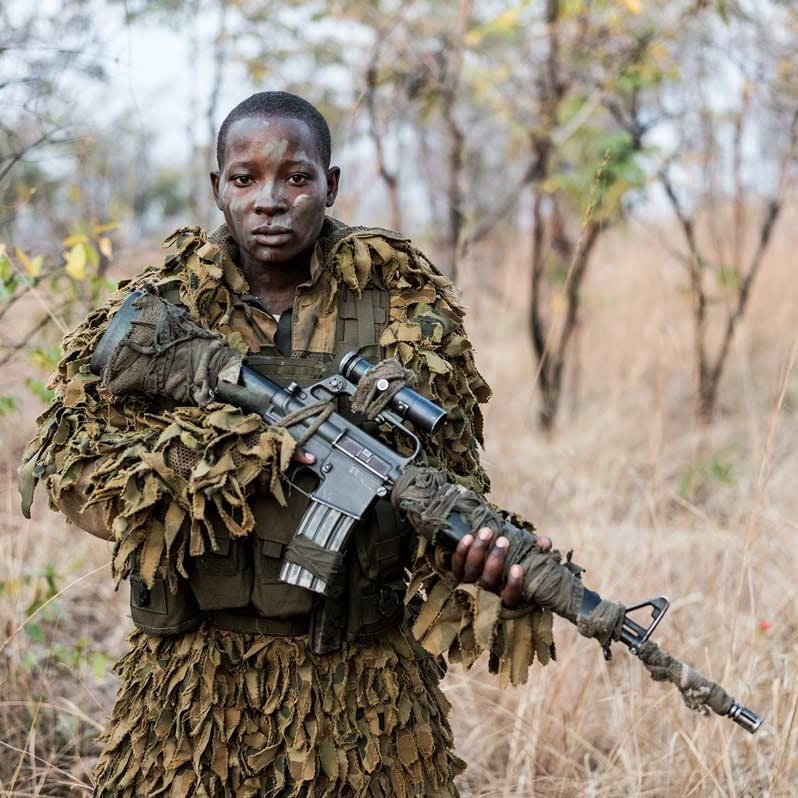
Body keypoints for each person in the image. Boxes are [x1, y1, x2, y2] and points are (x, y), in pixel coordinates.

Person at [19, 91, 554, 797]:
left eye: (296, 178)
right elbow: (73, 470)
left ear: (331, 185)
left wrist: (486, 573)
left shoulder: (402, 309)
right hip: (190, 695)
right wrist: (231, 463)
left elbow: (444, 484)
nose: (269, 201)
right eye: (245, 179)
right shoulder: (159, 312)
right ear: (217, 189)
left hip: (367, 699)